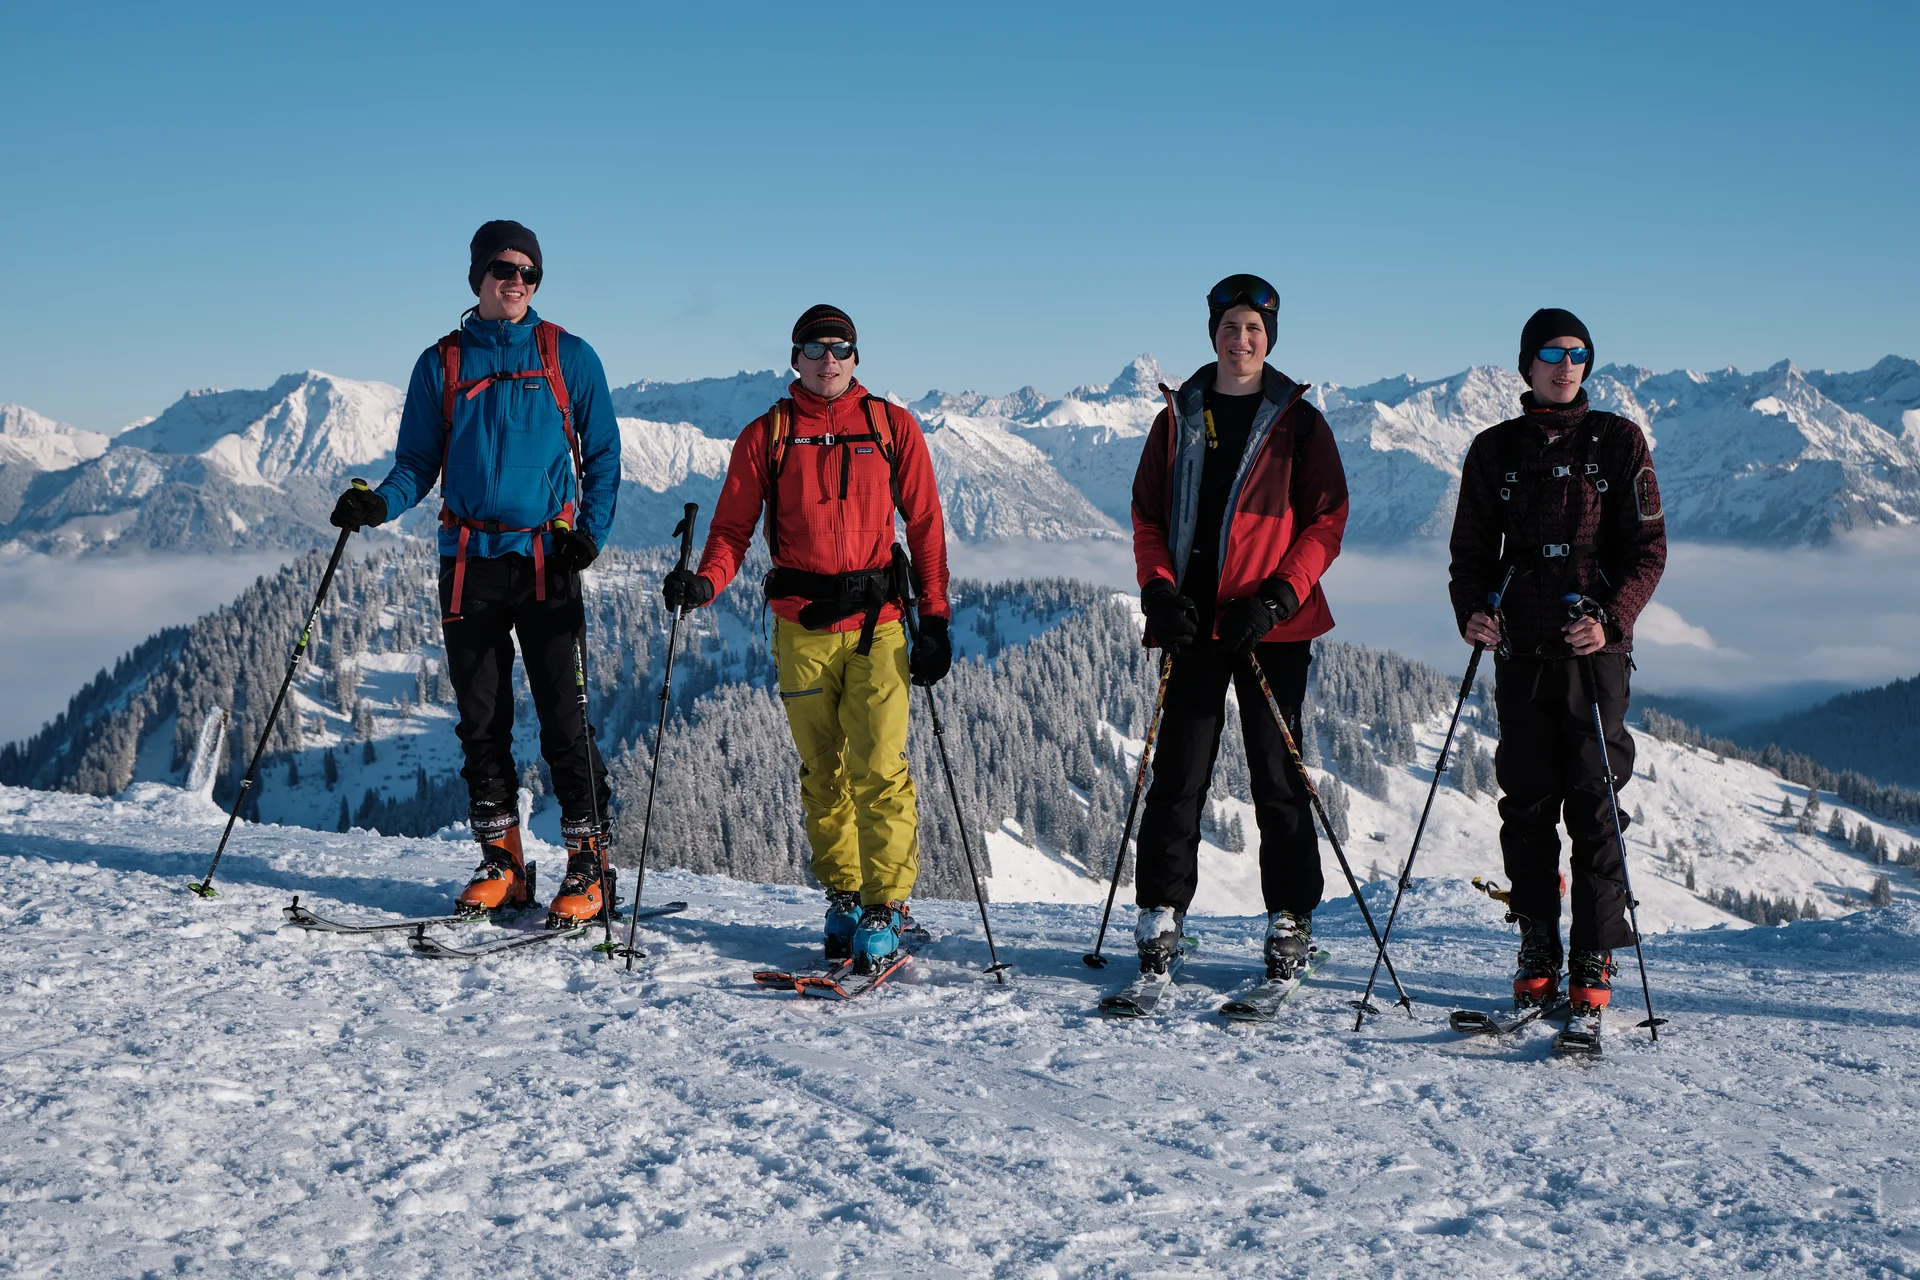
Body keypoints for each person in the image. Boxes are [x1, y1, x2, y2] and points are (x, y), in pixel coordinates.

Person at [328, 220, 621, 927]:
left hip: (549, 562)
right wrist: (377, 505)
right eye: (502, 268)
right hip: (470, 565)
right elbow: (415, 467)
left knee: (564, 717)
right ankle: (505, 862)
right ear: (477, 277)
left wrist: (590, 538)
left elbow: (604, 458)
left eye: (528, 272)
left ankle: (591, 865)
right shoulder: (443, 363)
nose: (515, 280)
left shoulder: (568, 356)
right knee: (481, 720)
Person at [665, 305, 952, 972]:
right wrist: (706, 584)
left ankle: (886, 906)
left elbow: (927, 526)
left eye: (841, 347)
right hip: (801, 625)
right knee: (822, 772)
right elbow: (732, 531)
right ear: (796, 357)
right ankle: (845, 897)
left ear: (857, 357)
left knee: (880, 768)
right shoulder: (767, 434)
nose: (829, 358)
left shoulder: (891, 427)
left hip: (878, 626)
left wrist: (934, 620)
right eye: (816, 347)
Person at [1127, 274, 1350, 982]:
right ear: (1213, 334)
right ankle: (1162, 911)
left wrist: (1281, 597)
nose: (1241, 340)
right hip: (1193, 623)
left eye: (1254, 329)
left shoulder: (1299, 422)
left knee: (1279, 778)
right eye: (1230, 327)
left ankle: (1291, 917)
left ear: (1269, 338)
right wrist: (1158, 591)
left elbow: (1326, 520)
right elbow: (1147, 518)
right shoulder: (1179, 417)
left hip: (1270, 628)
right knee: (1178, 776)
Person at [1448, 307, 1665, 1017]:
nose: (1565, 364)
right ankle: (1538, 942)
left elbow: (1648, 551)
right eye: (1551, 352)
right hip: (1520, 651)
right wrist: (1473, 613)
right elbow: (1472, 555)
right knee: (1529, 806)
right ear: (1527, 365)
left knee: (1596, 807)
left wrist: (1610, 618)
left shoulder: (1620, 442)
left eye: (1578, 354)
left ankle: (1594, 949)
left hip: (1594, 656)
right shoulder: (1493, 450)